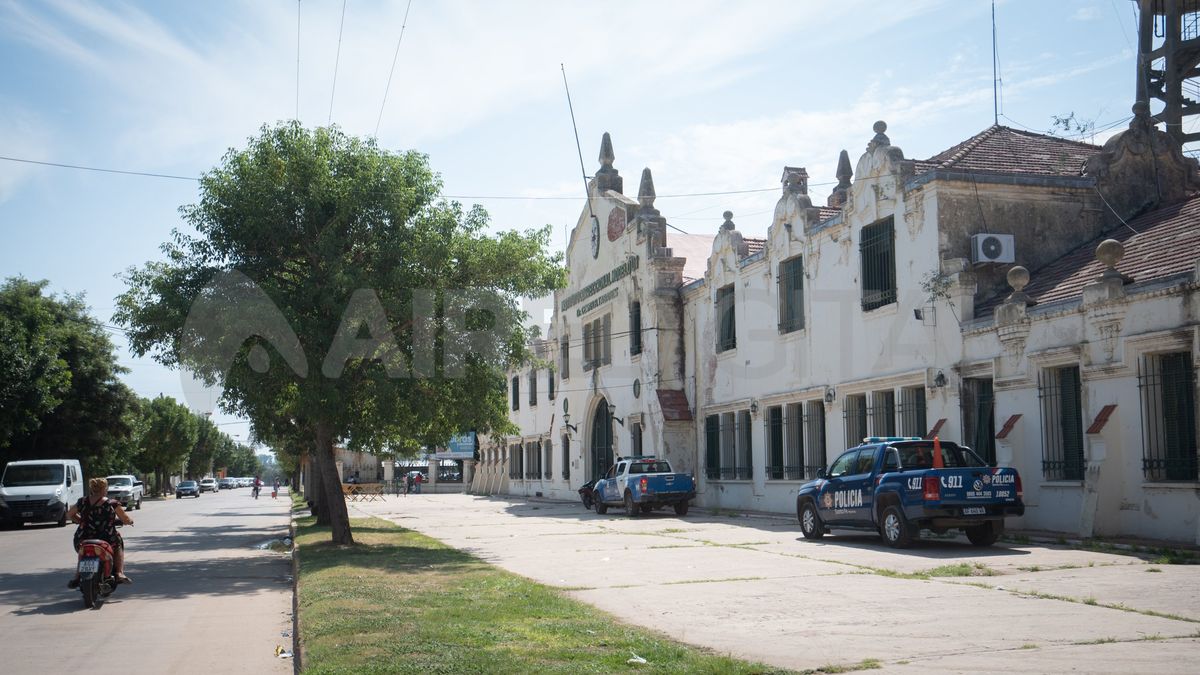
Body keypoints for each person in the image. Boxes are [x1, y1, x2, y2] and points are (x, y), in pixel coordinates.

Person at [67, 477, 134, 587]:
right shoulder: (111, 503)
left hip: (83, 536)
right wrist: (130, 521)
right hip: (106, 537)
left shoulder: (82, 501)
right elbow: (125, 519)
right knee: (118, 544)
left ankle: (77, 576)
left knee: (84, 552)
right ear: (104, 489)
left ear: (92, 489)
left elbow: (69, 515)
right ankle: (119, 573)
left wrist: (81, 521)